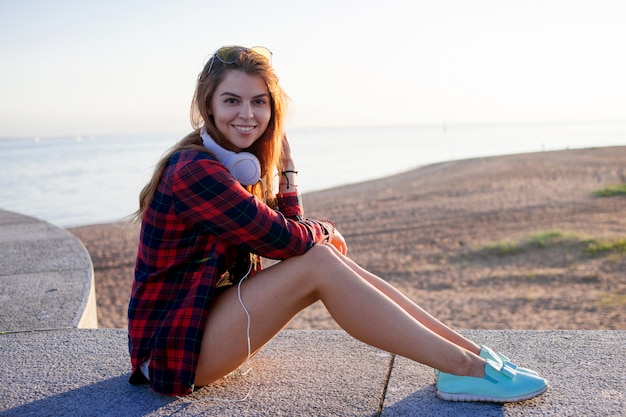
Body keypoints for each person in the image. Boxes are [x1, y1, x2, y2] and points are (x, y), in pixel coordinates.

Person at [127, 45, 549, 403]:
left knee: (321, 258)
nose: (248, 114)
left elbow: (288, 240)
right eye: (232, 100)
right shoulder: (195, 172)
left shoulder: (237, 168)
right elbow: (284, 241)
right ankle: (464, 367)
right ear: (209, 106)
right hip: (169, 352)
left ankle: (472, 355)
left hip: (201, 320)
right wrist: (325, 230)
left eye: (259, 101)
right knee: (321, 260)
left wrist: (286, 175)